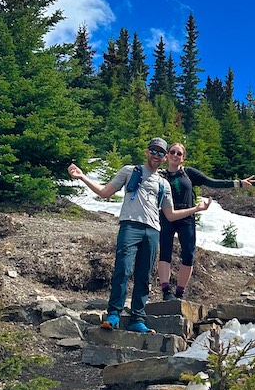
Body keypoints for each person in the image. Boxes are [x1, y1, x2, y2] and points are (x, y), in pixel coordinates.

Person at [68, 138, 210, 332]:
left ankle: (137, 319)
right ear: (147, 151)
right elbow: (104, 193)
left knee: (144, 276)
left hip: (152, 231)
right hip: (130, 227)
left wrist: (196, 209)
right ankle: (114, 314)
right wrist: (82, 177)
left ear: (164, 157)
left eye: (161, 152)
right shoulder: (130, 171)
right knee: (123, 269)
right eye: (153, 150)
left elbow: (170, 214)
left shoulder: (164, 184)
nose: (156, 155)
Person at [157, 142, 255, 299]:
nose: (175, 155)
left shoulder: (189, 173)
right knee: (165, 252)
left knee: (188, 253)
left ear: (183, 158)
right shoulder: (160, 176)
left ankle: (180, 292)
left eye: (179, 154)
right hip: (167, 216)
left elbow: (212, 182)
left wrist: (237, 183)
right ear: (167, 155)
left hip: (187, 217)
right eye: (173, 152)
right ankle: (166, 291)